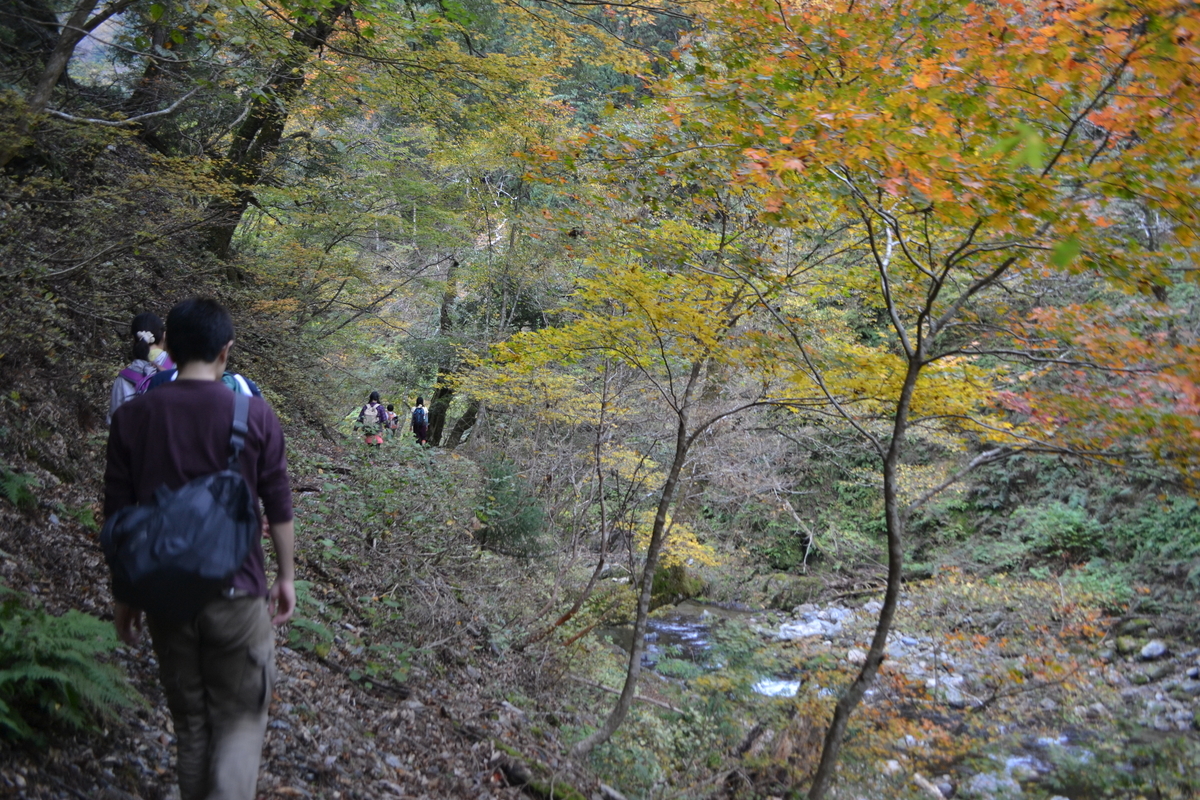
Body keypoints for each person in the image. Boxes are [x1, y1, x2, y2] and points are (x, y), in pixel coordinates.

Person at [104, 297, 295, 800]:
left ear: (169, 346)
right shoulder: (254, 415)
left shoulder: (134, 415)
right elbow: (277, 505)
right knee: (239, 720)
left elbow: (118, 513)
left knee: (191, 726)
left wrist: (125, 594)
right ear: (225, 351)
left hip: (165, 593)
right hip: (238, 591)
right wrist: (286, 577)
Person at [107, 312, 164, 426]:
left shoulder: (124, 377)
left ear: (134, 338)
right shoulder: (178, 368)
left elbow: (115, 420)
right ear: (163, 336)